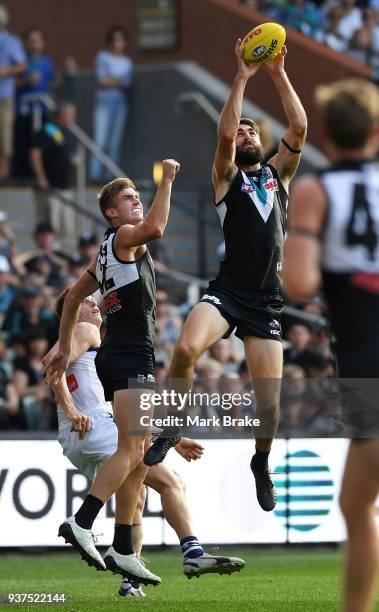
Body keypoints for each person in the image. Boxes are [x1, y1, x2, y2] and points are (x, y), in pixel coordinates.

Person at [144, 41, 307, 514]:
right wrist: (240, 76)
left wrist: (276, 73)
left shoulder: (281, 175)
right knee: (185, 349)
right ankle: (174, 424)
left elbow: (299, 127)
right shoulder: (226, 178)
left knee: (270, 404)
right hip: (227, 292)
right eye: (239, 131)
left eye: (251, 129)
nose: (244, 133)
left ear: (263, 139)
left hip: (266, 302)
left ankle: (261, 461)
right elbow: (223, 137)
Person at [51, 291, 244, 596]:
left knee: (136, 495)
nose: (93, 303)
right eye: (85, 301)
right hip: (92, 426)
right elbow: (53, 368)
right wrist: (73, 410)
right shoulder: (84, 331)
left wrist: (174, 439)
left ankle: (130, 579)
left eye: (92, 299)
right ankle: (192, 553)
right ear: (70, 313)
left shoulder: (95, 348)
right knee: (171, 483)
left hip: (82, 436)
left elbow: (125, 419)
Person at [43, 161, 180, 583]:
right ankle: (83, 522)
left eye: (138, 195)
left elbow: (71, 301)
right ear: (111, 215)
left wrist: (65, 345)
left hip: (119, 353)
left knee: (136, 457)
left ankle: (123, 547)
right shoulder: (124, 238)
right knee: (133, 451)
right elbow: (156, 228)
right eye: (128, 198)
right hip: (133, 353)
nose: (137, 200)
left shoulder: (103, 255)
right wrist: (168, 179)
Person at [283, 78, 379, 612]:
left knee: (359, 503)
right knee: (356, 497)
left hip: (369, 364)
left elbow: (298, 284)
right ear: (374, 132)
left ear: (325, 133)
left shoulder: (317, 191)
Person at [89, 26, 134, 182]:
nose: (117, 43)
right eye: (114, 40)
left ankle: (109, 175)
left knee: (114, 141)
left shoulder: (127, 61)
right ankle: (94, 175)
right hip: (104, 101)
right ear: (109, 42)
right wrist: (118, 81)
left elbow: (128, 83)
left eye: (120, 40)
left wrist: (113, 80)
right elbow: (102, 80)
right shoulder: (102, 56)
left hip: (120, 102)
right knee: (100, 139)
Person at [29, 102, 77, 239]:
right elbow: (35, 153)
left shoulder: (63, 131)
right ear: (62, 114)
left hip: (64, 187)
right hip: (50, 187)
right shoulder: (47, 129)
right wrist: (41, 178)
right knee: (51, 227)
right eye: (71, 114)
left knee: (67, 228)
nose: (73, 118)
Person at [13, 27, 55, 178]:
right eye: (31, 41)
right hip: (23, 110)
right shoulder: (20, 61)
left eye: (37, 40)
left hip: (42, 109)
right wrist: (26, 80)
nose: (34, 44)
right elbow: (11, 83)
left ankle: (40, 175)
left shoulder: (47, 62)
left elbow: (52, 83)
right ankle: (22, 176)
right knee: (22, 144)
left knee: (41, 143)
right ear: (26, 43)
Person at [0, 4, 26, 180]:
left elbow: (22, 65)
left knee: (5, 135)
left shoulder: (11, 41)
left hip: (4, 96)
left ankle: (3, 173)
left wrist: (5, 71)